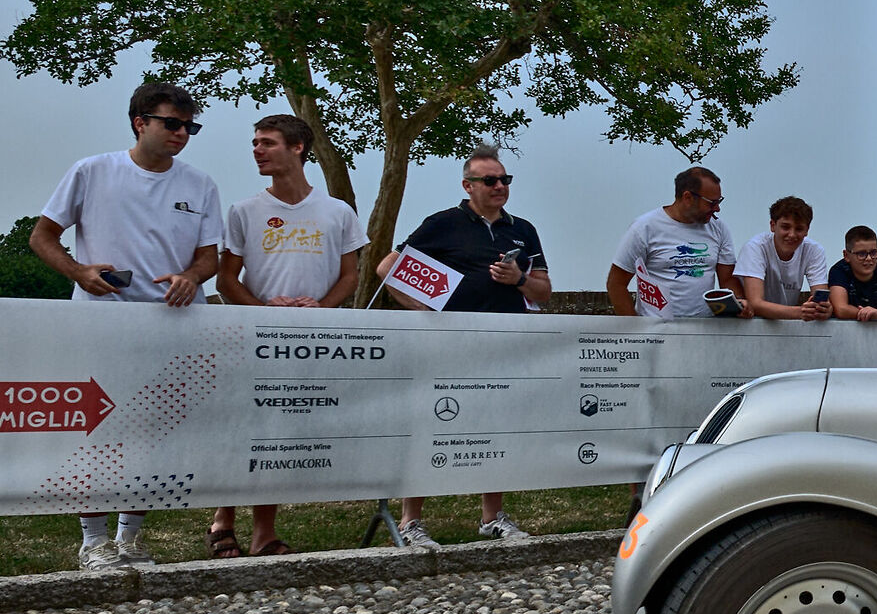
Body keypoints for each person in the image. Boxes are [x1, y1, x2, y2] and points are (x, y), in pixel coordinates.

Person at [31, 82, 224, 569]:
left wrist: (190, 276)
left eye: (189, 126)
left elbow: (209, 258)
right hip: (100, 321)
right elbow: (42, 236)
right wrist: (80, 271)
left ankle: (130, 538)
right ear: (141, 122)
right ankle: (92, 542)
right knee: (93, 431)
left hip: (170, 322)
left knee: (151, 432)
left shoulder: (200, 184)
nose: (182, 133)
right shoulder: (92, 170)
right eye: (172, 123)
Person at [378, 144, 551, 544]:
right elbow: (388, 267)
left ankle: (492, 517)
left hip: (503, 343)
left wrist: (519, 280)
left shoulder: (522, 229)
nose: (499, 187)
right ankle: (410, 522)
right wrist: (422, 307)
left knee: (495, 426)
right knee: (430, 423)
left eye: (504, 179)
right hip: (447, 343)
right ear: (467, 185)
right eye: (489, 180)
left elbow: (543, 291)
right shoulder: (442, 223)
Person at [212, 113, 366, 558]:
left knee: (277, 435)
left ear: (298, 148)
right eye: (255, 142)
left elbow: (350, 275)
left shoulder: (337, 211)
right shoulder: (244, 210)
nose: (257, 150)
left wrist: (321, 307)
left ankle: (265, 532)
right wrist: (262, 310)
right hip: (253, 338)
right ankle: (223, 519)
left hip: (310, 343)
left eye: (268, 142)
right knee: (240, 428)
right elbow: (227, 280)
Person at [609, 166, 743, 319]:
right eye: (712, 203)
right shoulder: (644, 228)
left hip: (704, 329)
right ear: (687, 198)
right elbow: (616, 284)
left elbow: (727, 279)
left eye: (719, 201)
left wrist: (739, 302)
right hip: (657, 331)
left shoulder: (718, 228)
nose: (717, 209)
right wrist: (636, 331)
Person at [733, 196, 832, 320]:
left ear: (807, 230)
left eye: (799, 229)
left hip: (785, 323)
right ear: (772, 226)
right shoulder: (755, 247)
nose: (792, 235)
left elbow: (821, 297)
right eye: (785, 227)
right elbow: (755, 304)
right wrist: (799, 312)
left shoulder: (814, 250)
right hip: (752, 323)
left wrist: (825, 309)